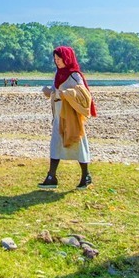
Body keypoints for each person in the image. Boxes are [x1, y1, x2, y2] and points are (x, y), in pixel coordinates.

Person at [39, 46, 96, 190]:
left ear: (67, 58)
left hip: (71, 115)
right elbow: (55, 90)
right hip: (58, 114)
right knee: (56, 143)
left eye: (59, 59)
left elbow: (83, 93)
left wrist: (65, 93)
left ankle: (86, 176)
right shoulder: (58, 74)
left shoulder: (74, 75)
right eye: (55, 59)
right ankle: (51, 177)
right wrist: (49, 92)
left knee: (78, 142)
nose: (57, 61)